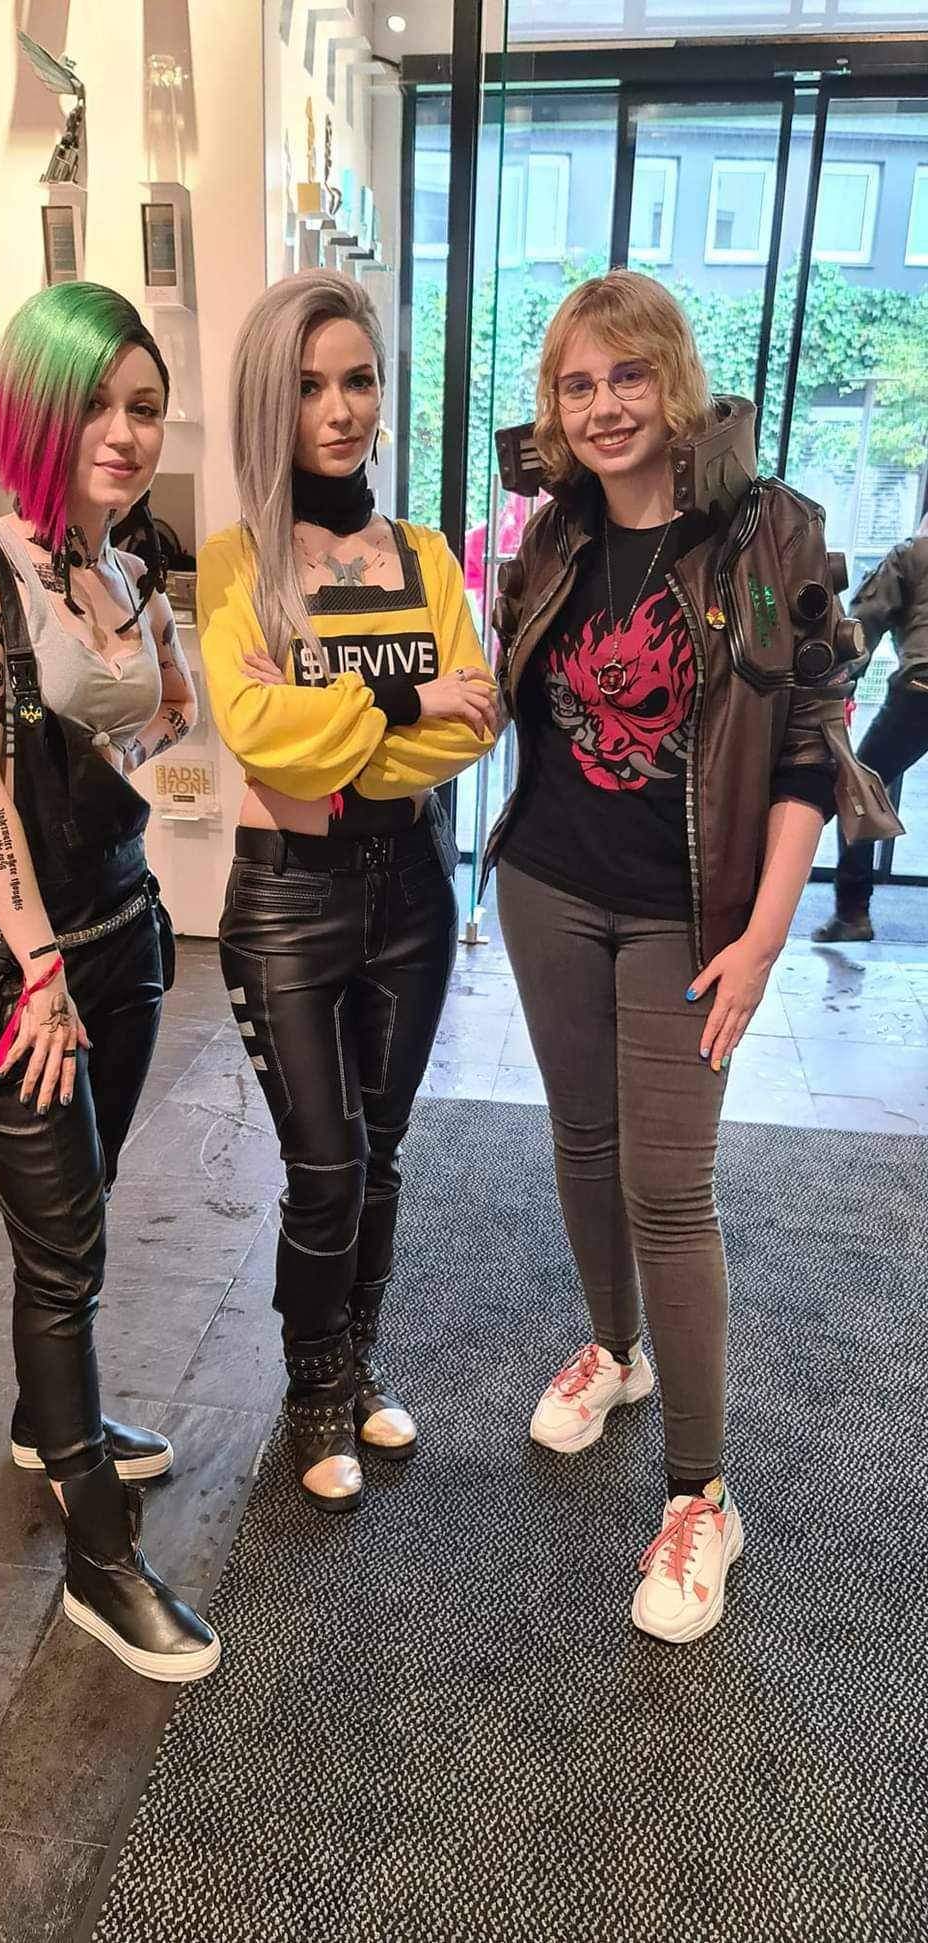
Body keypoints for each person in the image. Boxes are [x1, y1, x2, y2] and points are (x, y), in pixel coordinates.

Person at [483, 270, 897, 1643]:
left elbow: (810, 746)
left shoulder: (769, 532)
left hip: (691, 911)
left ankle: (701, 1494)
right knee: (582, 1140)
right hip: (549, 885)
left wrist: (764, 939)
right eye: (576, 384)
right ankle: (616, 1350)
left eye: (627, 376)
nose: (603, 407)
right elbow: (518, 697)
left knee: (670, 1187)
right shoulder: (554, 532)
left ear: (675, 380)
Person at [0, 282, 219, 1682]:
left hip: (125, 936)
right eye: (96, 401)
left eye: (144, 406)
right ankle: (99, 1562)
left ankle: (50, 1425)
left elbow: (168, 718)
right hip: (18, 973)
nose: (125, 429)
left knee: (79, 1214)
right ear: (36, 407)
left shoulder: (126, 567)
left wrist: (130, 736)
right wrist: (39, 969)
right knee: (65, 1257)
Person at [198, 269, 497, 1514]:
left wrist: (343, 725)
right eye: (311, 385)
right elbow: (257, 734)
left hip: (412, 889)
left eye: (359, 380)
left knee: (383, 1154)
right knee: (325, 1163)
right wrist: (402, 695)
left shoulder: (423, 555)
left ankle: (356, 1353)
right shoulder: (238, 562)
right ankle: (312, 1385)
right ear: (272, 401)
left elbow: (470, 725)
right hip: (286, 900)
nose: (340, 409)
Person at [813, 511, 928, 942]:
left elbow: (863, 626)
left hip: (922, 691)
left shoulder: (911, 554)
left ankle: (852, 913)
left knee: (858, 790)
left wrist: (840, 679)